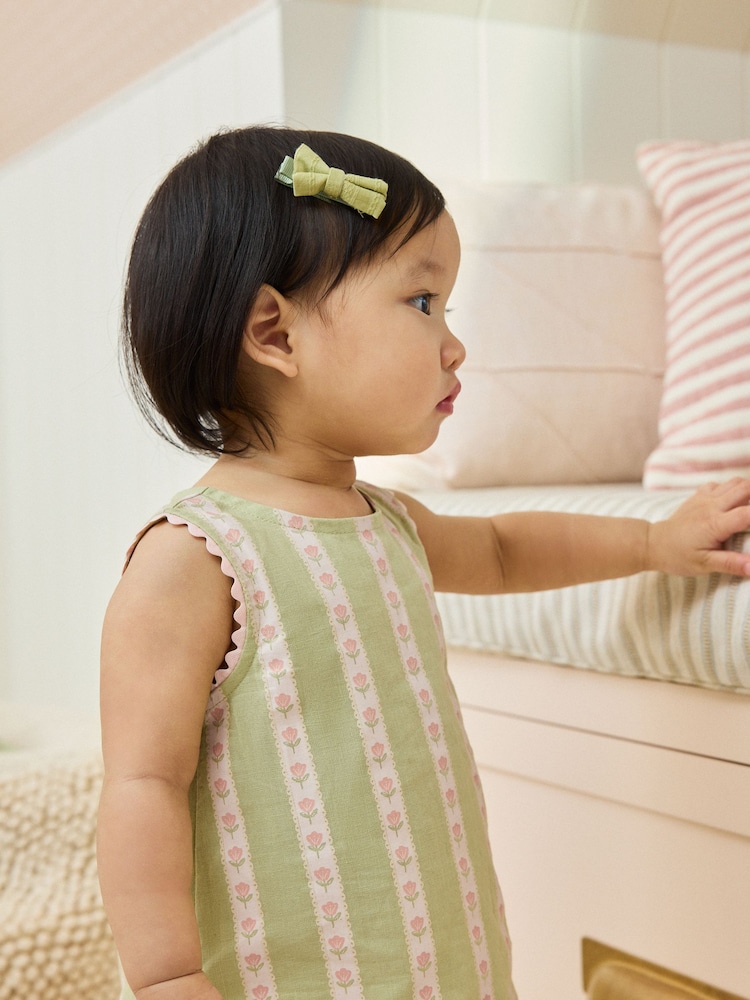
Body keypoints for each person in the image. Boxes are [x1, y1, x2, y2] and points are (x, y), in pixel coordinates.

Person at [97, 126, 750, 1000]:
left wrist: (650, 542)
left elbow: (506, 547)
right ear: (274, 334)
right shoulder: (197, 558)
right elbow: (143, 780)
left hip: (442, 945)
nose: (454, 344)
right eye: (420, 303)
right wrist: (167, 974)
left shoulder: (388, 522)